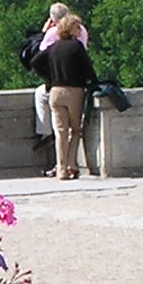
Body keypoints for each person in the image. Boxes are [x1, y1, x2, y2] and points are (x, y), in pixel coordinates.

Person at [26, 12, 97, 180]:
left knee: (60, 132)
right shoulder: (77, 47)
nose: (80, 30)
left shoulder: (53, 47)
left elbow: (35, 62)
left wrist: (49, 78)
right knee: (75, 130)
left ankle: (61, 169)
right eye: (77, 27)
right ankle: (72, 165)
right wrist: (93, 81)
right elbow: (88, 69)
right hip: (74, 91)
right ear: (71, 29)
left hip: (55, 92)